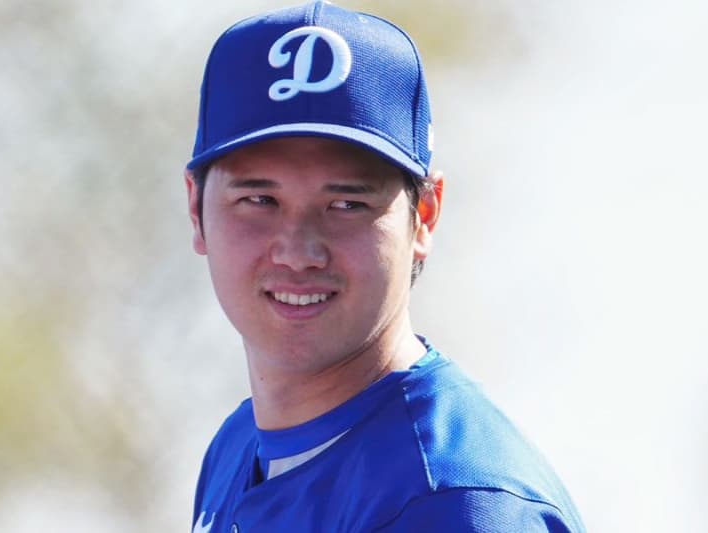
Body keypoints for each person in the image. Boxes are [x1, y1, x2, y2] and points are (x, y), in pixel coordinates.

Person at [184, 2, 585, 531]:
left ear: (424, 215)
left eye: (347, 204)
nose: (299, 251)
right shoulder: (239, 446)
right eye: (260, 200)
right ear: (196, 209)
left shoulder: (453, 504)